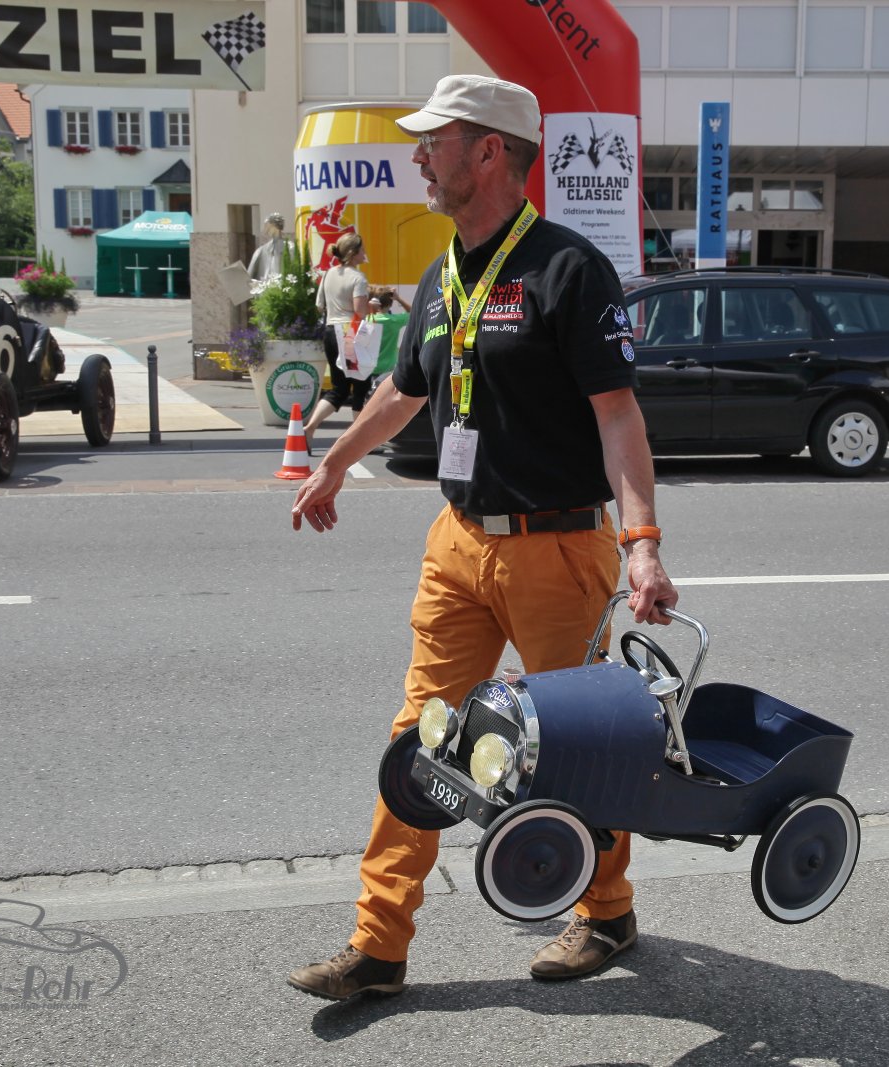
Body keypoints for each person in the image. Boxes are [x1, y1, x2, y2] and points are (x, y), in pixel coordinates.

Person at [286, 73, 678, 1001]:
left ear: (490, 151)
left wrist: (641, 542)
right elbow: (405, 389)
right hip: (457, 542)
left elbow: (618, 414)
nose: (420, 156)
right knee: (419, 743)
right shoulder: (443, 275)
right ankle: (378, 944)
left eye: (435, 141)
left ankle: (606, 912)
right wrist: (334, 461)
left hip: (556, 549)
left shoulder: (568, 269)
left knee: (572, 744)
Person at [302, 232, 372, 448]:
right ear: (354, 252)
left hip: (331, 331)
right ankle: (359, 440)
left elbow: (319, 305)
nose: (364, 252)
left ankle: (310, 427)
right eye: (362, 249)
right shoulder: (358, 278)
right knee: (361, 385)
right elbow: (360, 311)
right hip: (350, 333)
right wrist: (372, 305)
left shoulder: (329, 274)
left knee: (339, 388)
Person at [368, 287, 411, 379]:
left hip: (369, 366)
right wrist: (398, 299)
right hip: (388, 367)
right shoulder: (395, 321)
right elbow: (413, 312)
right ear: (390, 304)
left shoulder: (368, 319)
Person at [245, 212, 287, 288]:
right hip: (266, 289)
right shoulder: (261, 250)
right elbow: (249, 276)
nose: (265, 230)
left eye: (267, 226)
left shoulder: (290, 248)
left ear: (274, 226)